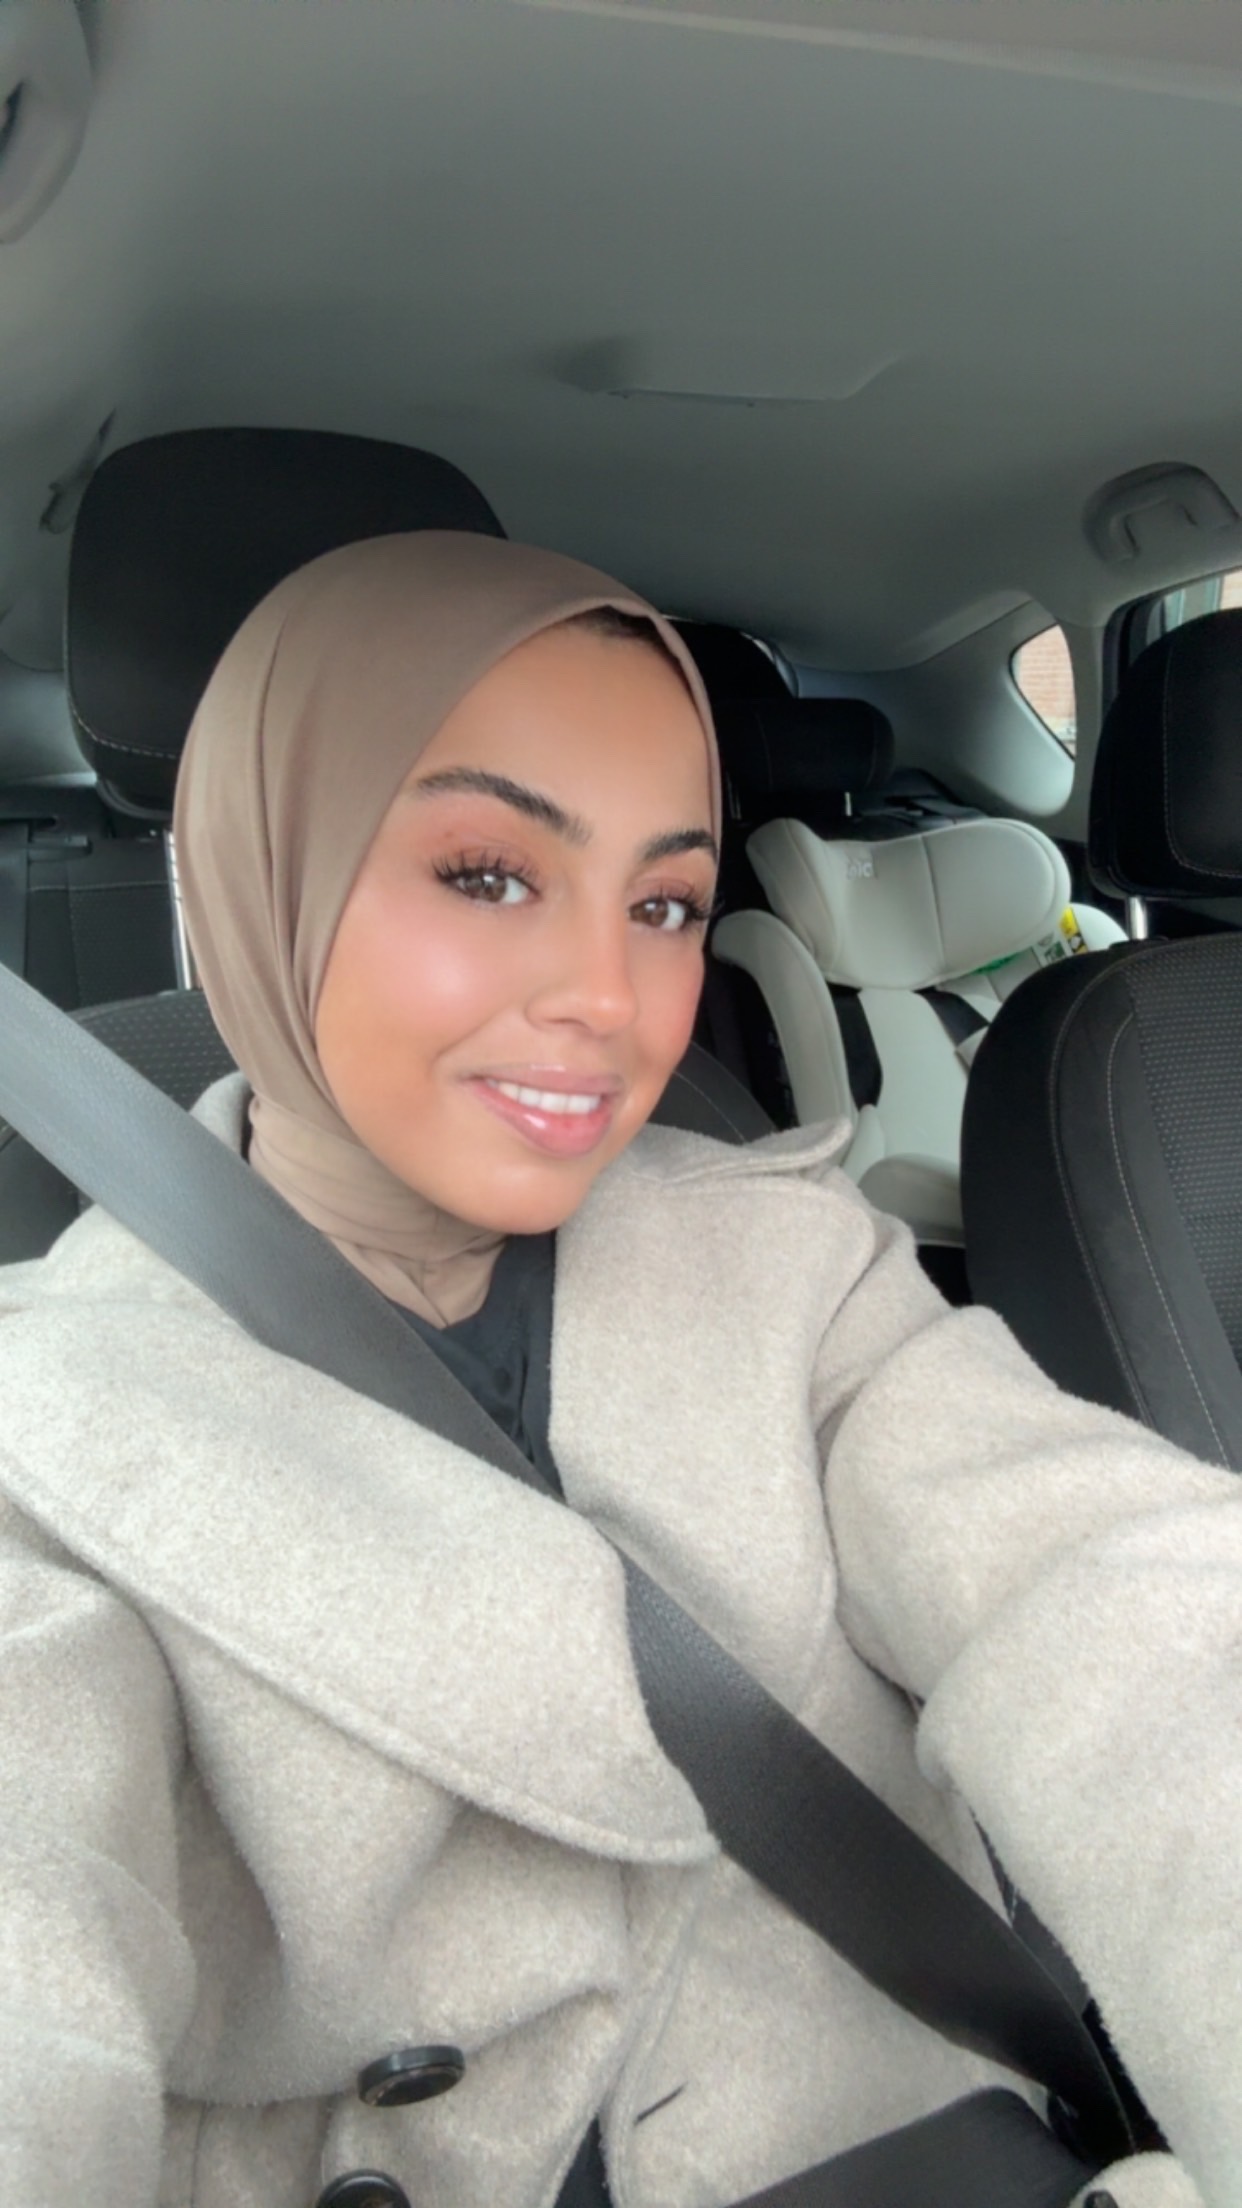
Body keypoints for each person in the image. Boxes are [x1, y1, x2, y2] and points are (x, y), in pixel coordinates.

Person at [0, 531, 1234, 2208]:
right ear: (263, 871)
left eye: (662, 905)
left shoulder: (797, 1269)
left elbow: (1112, 1599)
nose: (608, 996)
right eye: (486, 874)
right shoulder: (49, 1427)